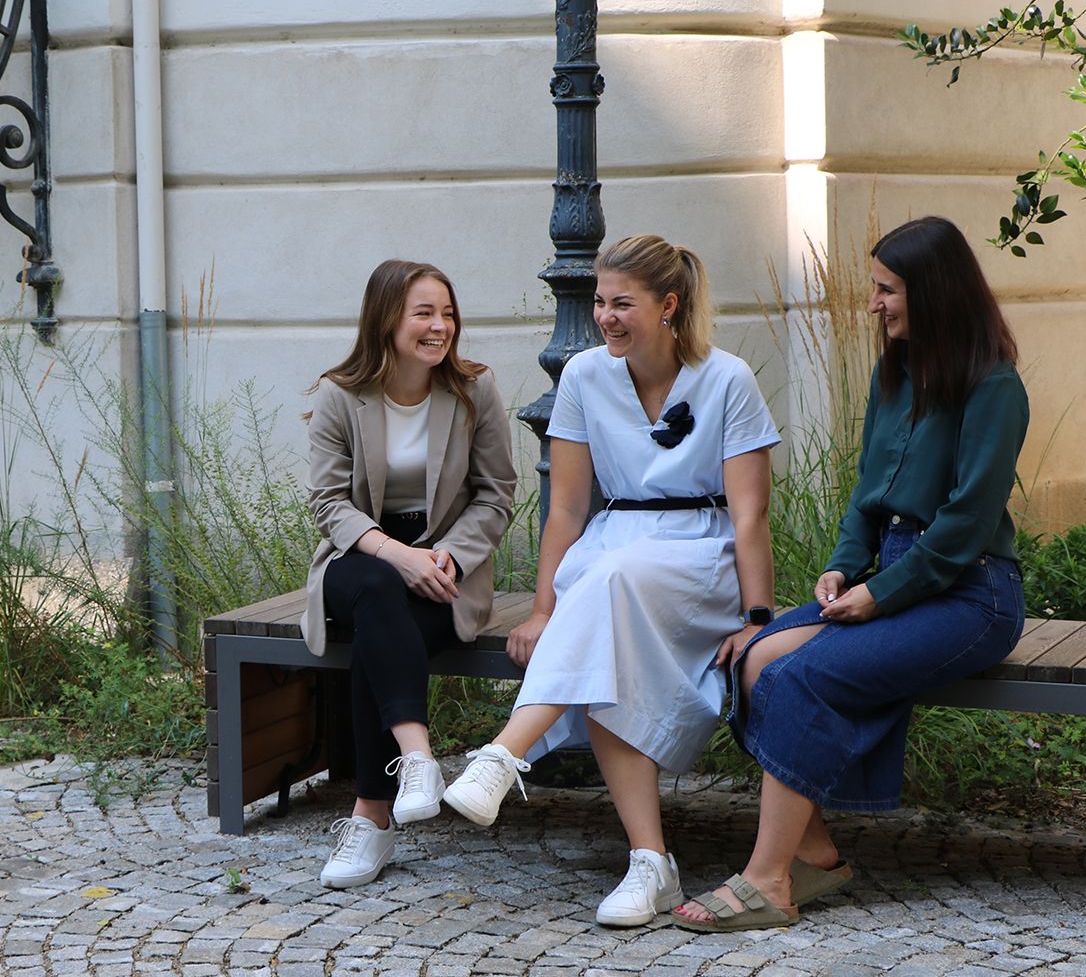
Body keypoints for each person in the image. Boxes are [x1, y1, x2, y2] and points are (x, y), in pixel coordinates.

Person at [674, 215, 1029, 932]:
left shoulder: (993, 387)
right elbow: (868, 498)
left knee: (800, 675)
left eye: (886, 289)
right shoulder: (892, 375)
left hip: (971, 594)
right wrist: (843, 568)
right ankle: (816, 852)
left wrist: (880, 594)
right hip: (894, 573)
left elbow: (962, 529)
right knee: (750, 657)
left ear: (933, 292)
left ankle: (767, 880)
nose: (873, 304)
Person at [439, 235, 782, 926]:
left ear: (669, 306)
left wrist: (757, 618)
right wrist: (541, 609)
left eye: (622, 302)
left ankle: (505, 753)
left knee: (608, 584)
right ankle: (649, 862)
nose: (604, 316)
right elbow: (566, 507)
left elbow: (749, 515)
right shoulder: (585, 377)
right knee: (605, 598)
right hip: (613, 550)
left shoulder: (727, 380)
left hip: (699, 555)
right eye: (599, 300)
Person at [303, 258, 516, 889]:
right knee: (375, 591)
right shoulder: (342, 394)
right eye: (424, 312)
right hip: (361, 557)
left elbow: (495, 493)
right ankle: (418, 758)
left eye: (447, 312)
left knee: (379, 633)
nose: (440, 325)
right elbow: (326, 502)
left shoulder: (475, 390)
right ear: (387, 318)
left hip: (448, 564)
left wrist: (446, 554)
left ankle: (371, 819)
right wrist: (396, 554)